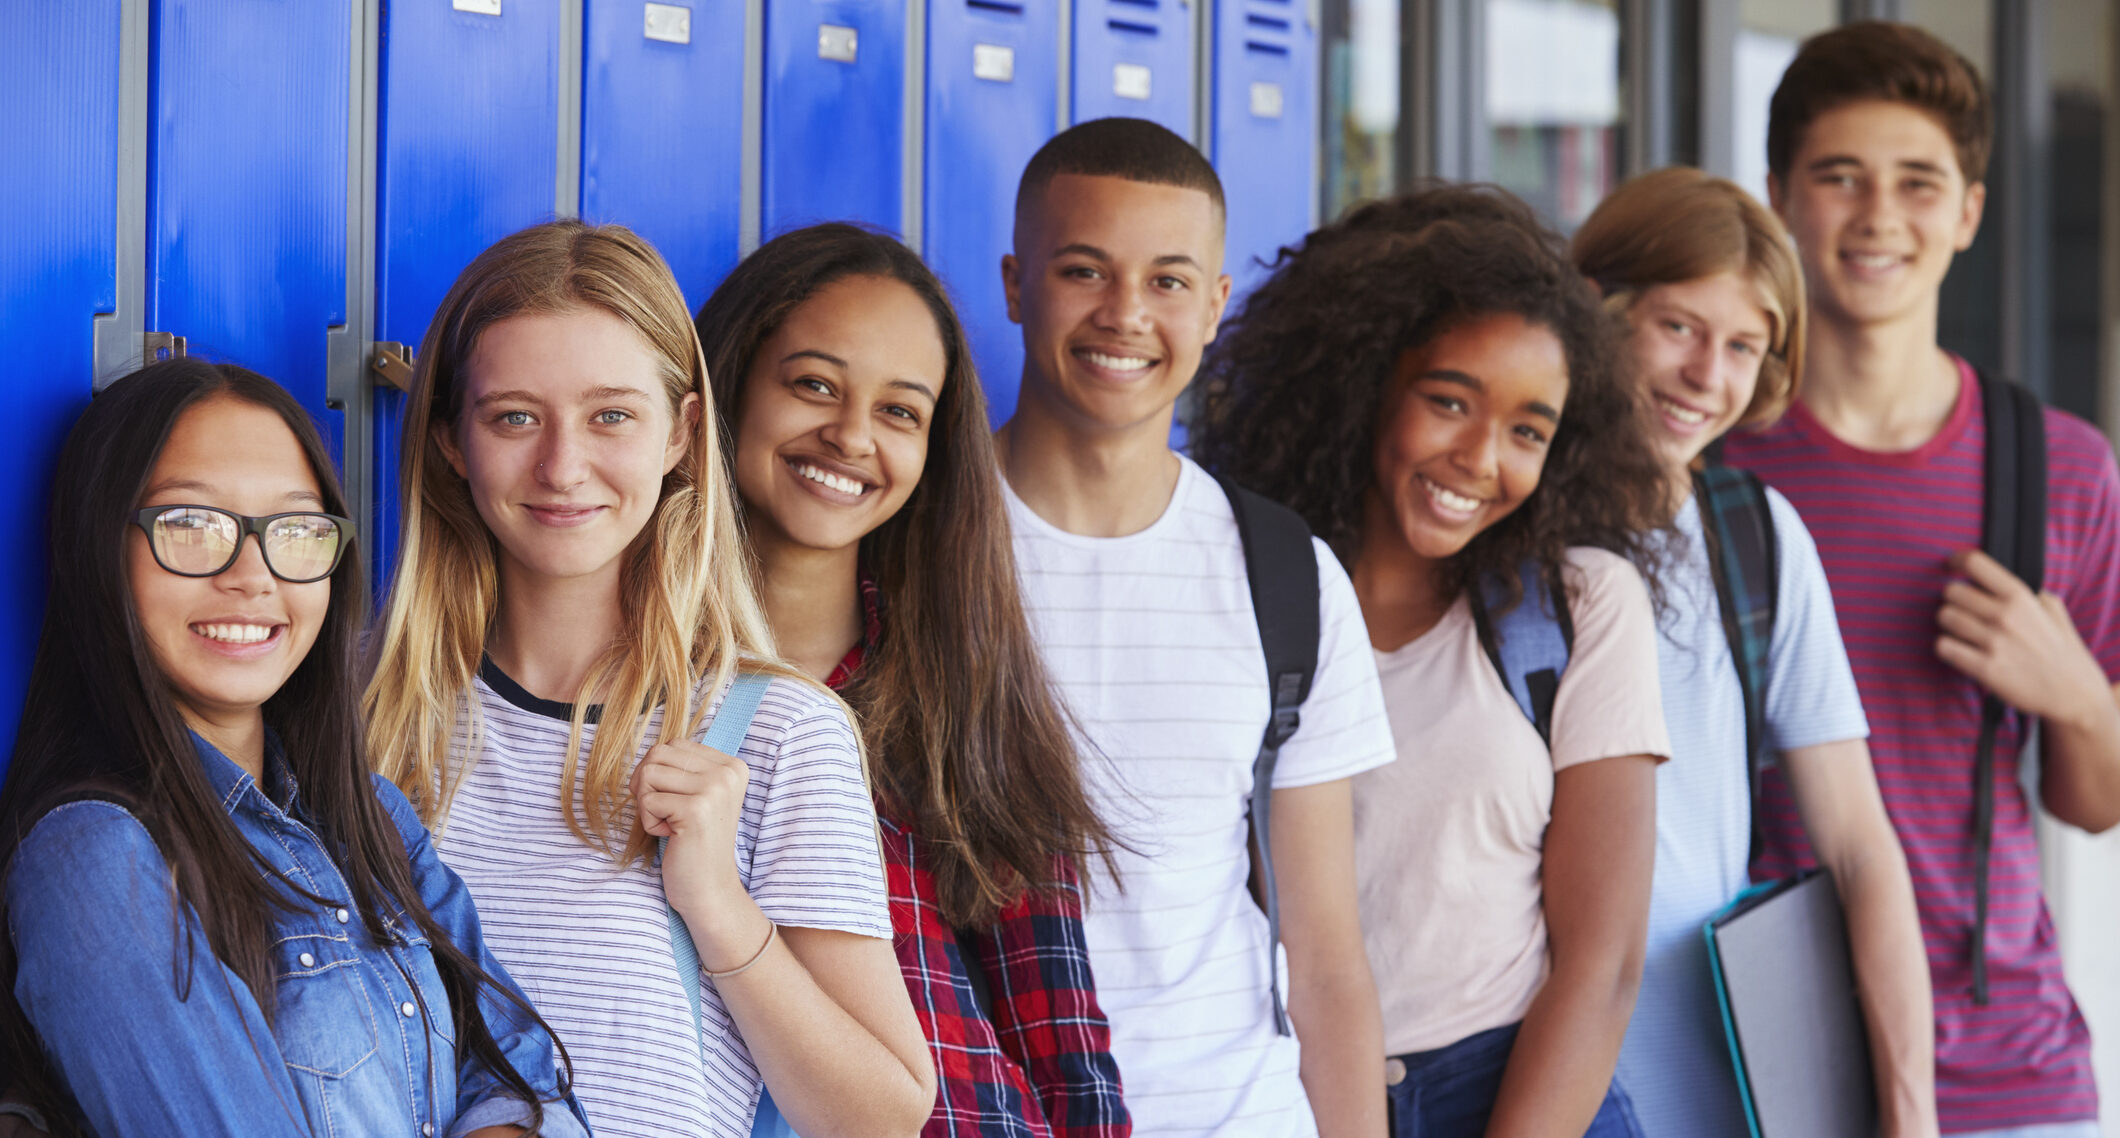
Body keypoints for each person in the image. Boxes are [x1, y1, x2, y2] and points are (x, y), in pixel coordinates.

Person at [364, 219, 936, 1138]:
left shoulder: (779, 733)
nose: (562, 466)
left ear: (683, 432)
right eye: (514, 416)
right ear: (447, 439)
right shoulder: (363, 720)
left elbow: (881, 1118)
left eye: (611, 416)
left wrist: (718, 906)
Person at [0, 359, 585, 1138]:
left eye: (297, 531)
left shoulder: (369, 816)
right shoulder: (100, 858)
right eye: (190, 526)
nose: (253, 576)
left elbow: (526, 1072)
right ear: (102, 548)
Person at [1192, 184, 1669, 1138]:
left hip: (1514, 1090)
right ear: (1367, 383)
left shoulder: (1578, 609)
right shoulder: (1241, 593)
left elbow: (1601, 966)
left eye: (1528, 430)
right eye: (1451, 401)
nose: (1481, 458)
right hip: (1286, 1092)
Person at [1721, 23, 2120, 1137]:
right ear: (1779, 199)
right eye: (1837, 177)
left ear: (1966, 213)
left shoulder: (2058, 470)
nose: (1876, 215)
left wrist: (2077, 696)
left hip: (2002, 1072)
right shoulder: (1711, 465)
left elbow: (2092, 803)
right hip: (1751, 1056)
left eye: (1915, 182)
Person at [995, 115, 1395, 1138]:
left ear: (1215, 306)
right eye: (1083, 270)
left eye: (1168, 281)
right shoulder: (915, 545)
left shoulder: (1284, 576)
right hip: (983, 1111)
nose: (1125, 314)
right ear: (1013, 285)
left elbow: (1324, 951)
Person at [694, 221, 1128, 1138]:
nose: (851, 435)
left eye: (900, 412)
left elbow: (1060, 1036)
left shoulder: (962, 694)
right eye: (813, 384)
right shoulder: (623, 685)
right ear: (726, 387)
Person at [1572, 165, 1938, 1137]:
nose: (1707, 376)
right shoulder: (1507, 522)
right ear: (1597, 311)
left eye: (1742, 345)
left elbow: (1859, 845)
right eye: (1678, 328)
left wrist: (1907, 1110)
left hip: (1721, 1080)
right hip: (1524, 1077)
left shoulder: (1755, 536)